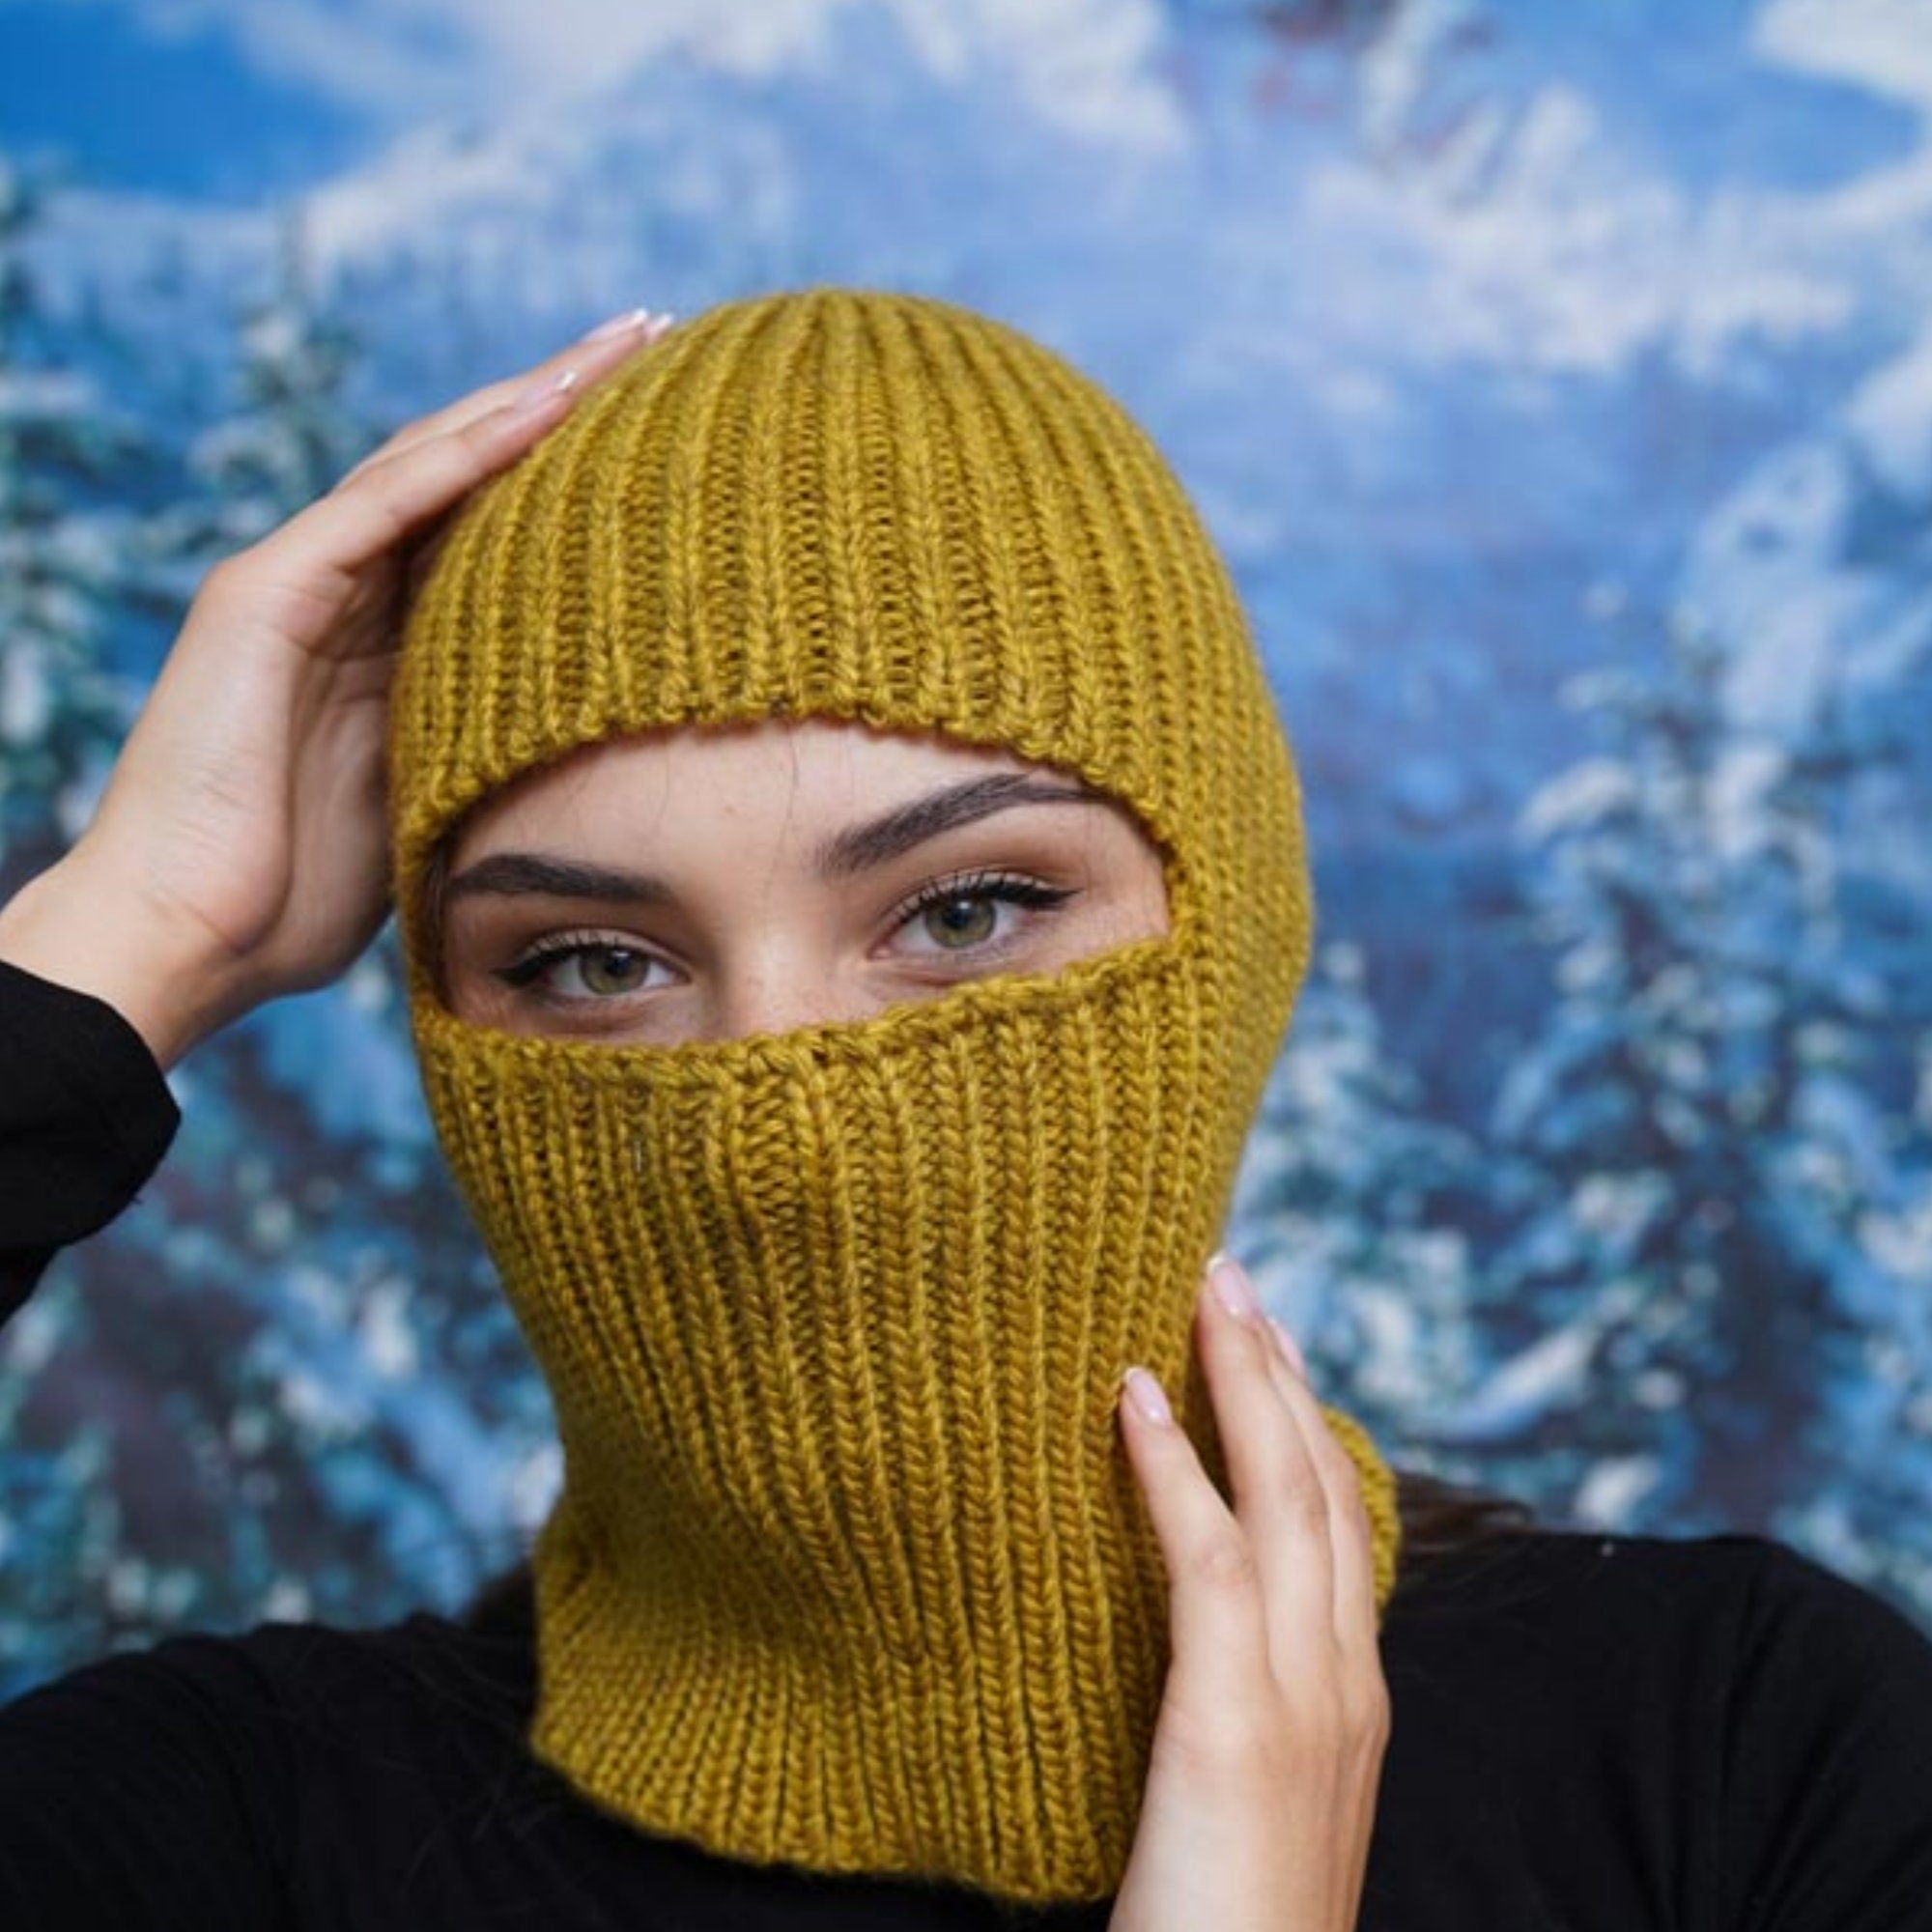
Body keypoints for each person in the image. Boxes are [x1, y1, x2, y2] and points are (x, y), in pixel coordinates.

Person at [0, 288, 1927, 1931]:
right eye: (593, 960)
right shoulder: (209, 1835)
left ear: (1235, 925)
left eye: (963, 908)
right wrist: (128, 940)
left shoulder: (1747, 1760)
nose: (781, 1121)